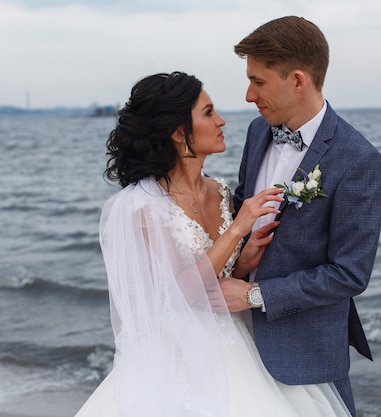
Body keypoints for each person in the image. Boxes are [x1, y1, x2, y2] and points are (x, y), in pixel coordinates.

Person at [74, 71, 352, 417]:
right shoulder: (142, 206)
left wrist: (244, 262)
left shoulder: (220, 191)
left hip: (243, 336)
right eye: (208, 113)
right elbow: (181, 293)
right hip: (183, 356)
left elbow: (216, 280)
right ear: (179, 133)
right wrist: (237, 231)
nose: (221, 121)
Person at [219, 16, 381, 417]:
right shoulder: (259, 132)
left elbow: (349, 274)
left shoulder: (358, 159)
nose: (247, 95)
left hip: (304, 351)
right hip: (232, 339)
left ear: (297, 80)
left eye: (258, 82)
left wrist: (254, 296)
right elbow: (242, 210)